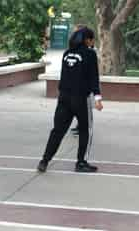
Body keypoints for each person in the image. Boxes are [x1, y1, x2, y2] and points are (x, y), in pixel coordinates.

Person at [37, 27, 103, 173]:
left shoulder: (66, 54)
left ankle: (44, 161)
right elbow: (94, 77)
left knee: (58, 130)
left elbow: (65, 76)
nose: (92, 42)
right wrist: (98, 98)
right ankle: (81, 162)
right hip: (80, 98)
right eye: (92, 39)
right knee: (86, 130)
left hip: (64, 97)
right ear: (87, 40)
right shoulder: (90, 54)